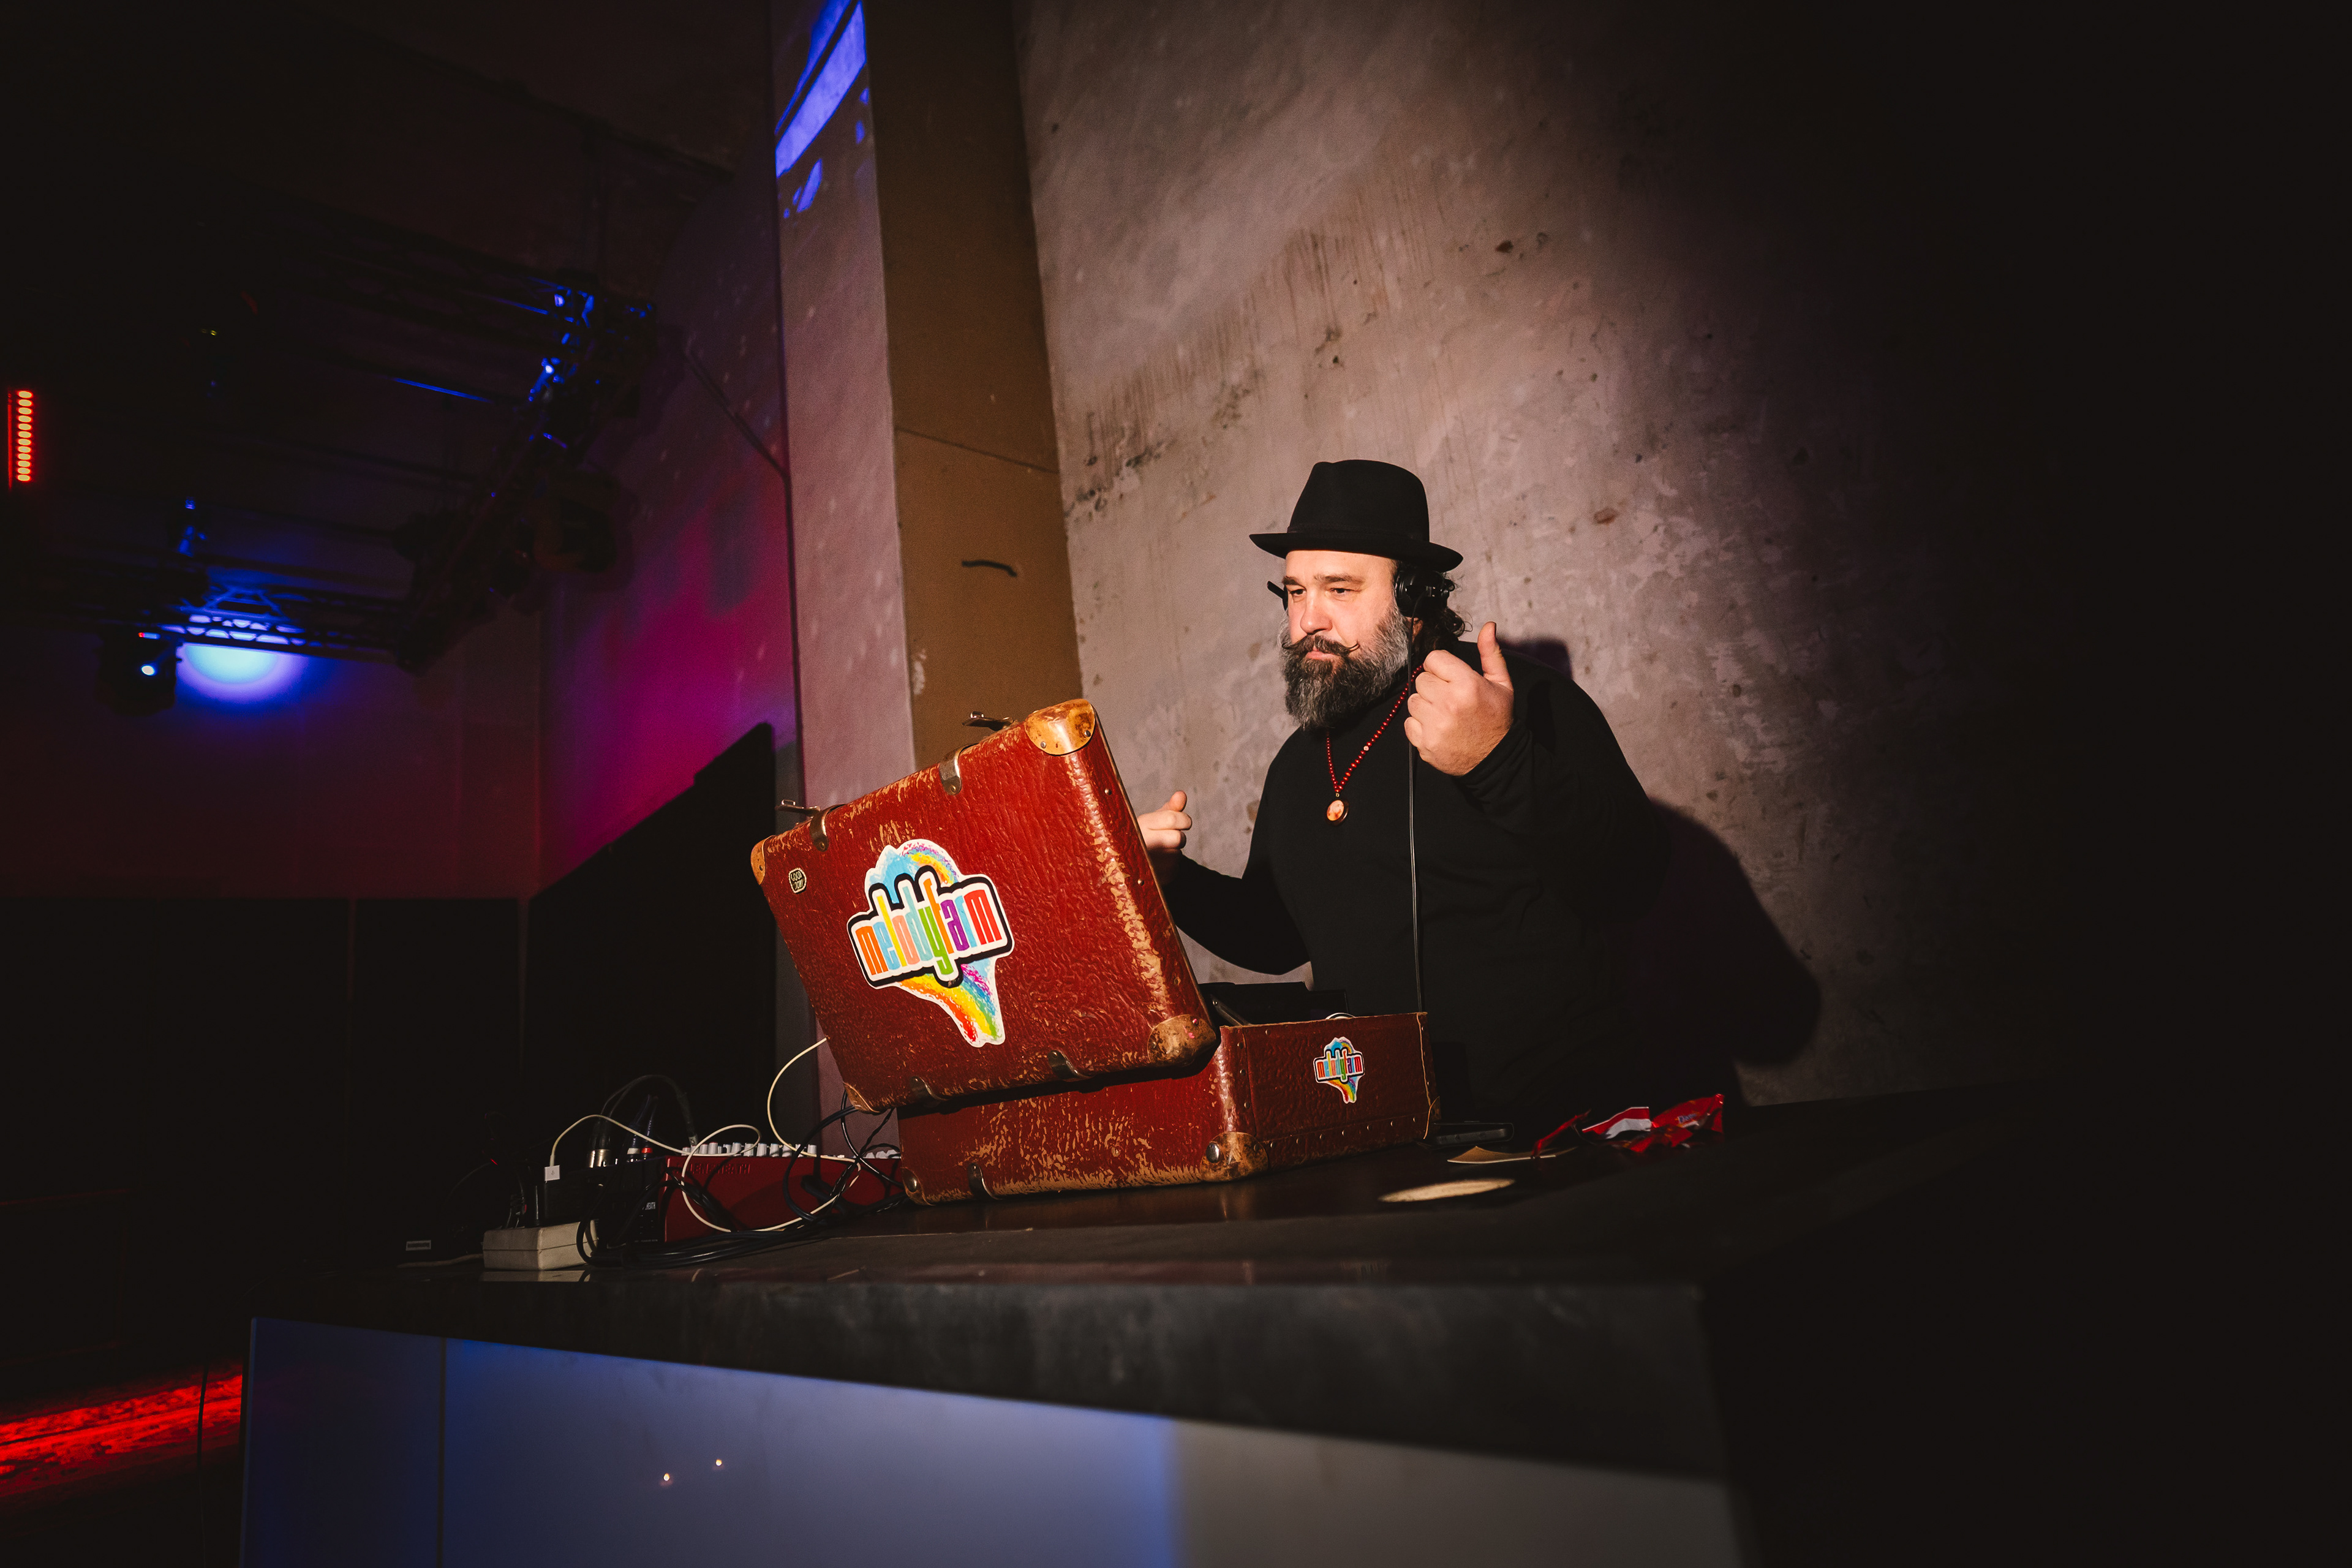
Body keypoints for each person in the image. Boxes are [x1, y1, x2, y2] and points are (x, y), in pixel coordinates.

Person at [1138, 459, 1668, 1136]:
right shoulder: (1297, 764)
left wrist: (1500, 761)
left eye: (1339, 589)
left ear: (1414, 599)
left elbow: (1634, 881)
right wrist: (1170, 881)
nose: (1307, 620)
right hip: (1387, 1137)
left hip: (1559, 1134)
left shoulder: (1520, 701)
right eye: (1295, 592)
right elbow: (1278, 937)